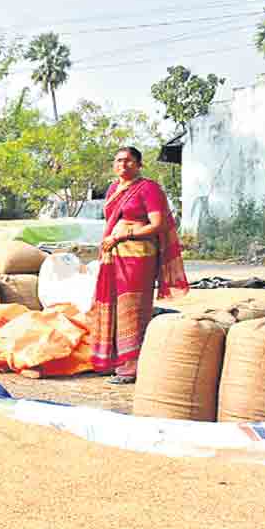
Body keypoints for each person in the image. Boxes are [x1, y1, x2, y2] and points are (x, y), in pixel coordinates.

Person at [88, 146, 189, 384]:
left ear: (139, 165)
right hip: (113, 255)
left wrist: (124, 235)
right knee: (111, 303)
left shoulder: (148, 188)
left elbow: (158, 224)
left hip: (138, 256)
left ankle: (131, 368)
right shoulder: (113, 188)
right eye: (119, 160)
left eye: (129, 161)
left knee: (132, 306)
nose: (123, 165)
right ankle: (113, 360)